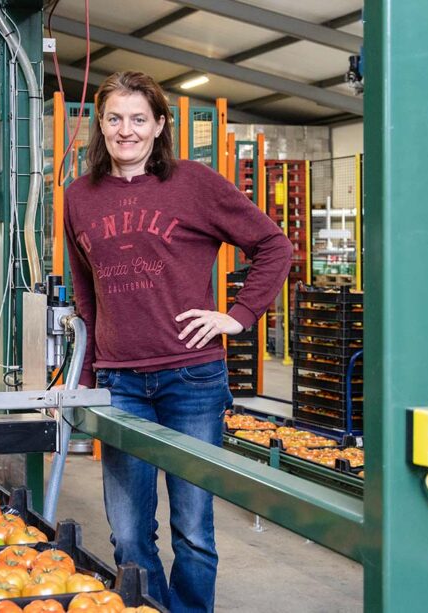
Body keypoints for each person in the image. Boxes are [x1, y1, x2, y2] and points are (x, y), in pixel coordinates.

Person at [62, 71, 292, 613]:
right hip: (119, 384)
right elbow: (86, 293)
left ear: (160, 124)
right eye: (115, 118)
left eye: (139, 119)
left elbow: (274, 246)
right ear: (100, 123)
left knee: (192, 529)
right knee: (128, 534)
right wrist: (90, 377)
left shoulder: (194, 183)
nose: (126, 130)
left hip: (192, 379)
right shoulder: (78, 196)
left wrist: (237, 317)